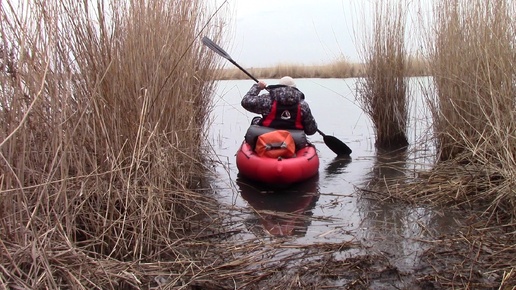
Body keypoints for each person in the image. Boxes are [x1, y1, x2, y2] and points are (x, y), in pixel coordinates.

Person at [241, 76, 318, 135]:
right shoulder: (303, 105)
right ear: (295, 88)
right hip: (294, 140)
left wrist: (257, 87)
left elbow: (245, 101)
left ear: (279, 86)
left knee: (256, 120)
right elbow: (311, 130)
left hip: (266, 137)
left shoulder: (267, 100)